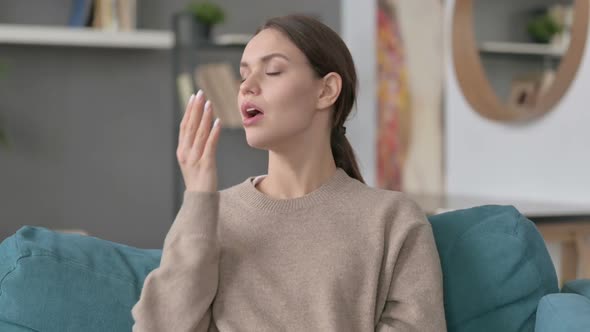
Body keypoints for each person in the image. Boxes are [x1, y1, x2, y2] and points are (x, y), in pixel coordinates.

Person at [131, 14, 446, 331]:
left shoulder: (393, 219)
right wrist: (199, 198)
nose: (247, 87)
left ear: (326, 91)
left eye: (272, 71)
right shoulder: (213, 216)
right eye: (243, 76)